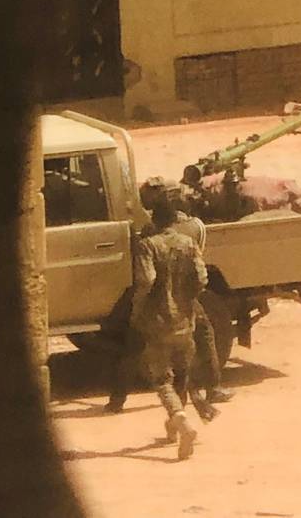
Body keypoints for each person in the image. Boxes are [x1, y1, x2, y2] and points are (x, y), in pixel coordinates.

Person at [106, 188, 207, 460]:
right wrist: (187, 299)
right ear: (174, 219)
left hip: (157, 321)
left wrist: (138, 307)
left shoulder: (147, 245)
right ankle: (173, 428)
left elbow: (147, 279)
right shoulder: (188, 243)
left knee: (162, 378)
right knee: (182, 373)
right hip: (185, 320)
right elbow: (201, 278)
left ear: (154, 218)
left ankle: (180, 419)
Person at [139, 178, 234, 409]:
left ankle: (119, 399)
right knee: (203, 336)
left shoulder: (148, 233)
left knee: (138, 345)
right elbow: (200, 274)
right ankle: (211, 389)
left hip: (157, 302)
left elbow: (147, 278)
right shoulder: (194, 229)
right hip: (185, 299)